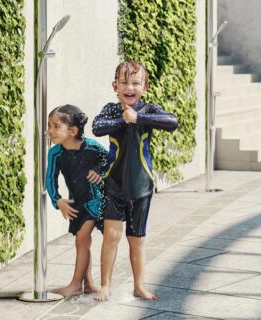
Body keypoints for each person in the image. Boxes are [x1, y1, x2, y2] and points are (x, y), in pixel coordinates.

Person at [92, 60, 178, 301]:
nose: (129, 87)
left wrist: (138, 119)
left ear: (145, 87)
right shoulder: (111, 110)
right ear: (115, 86)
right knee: (111, 236)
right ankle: (106, 285)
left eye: (135, 83)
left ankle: (139, 286)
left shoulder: (148, 110)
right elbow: (97, 127)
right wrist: (124, 120)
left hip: (141, 186)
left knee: (137, 238)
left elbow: (172, 122)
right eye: (124, 82)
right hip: (114, 184)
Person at [46, 104, 108, 297]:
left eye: (56, 126)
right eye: (49, 126)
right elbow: (50, 179)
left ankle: (74, 285)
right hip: (76, 202)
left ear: (72, 130)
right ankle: (88, 283)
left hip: (96, 201)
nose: (50, 131)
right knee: (83, 242)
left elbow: (109, 159)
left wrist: (99, 171)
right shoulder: (55, 153)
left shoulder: (92, 147)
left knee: (82, 240)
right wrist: (58, 201)